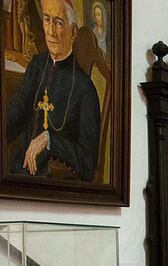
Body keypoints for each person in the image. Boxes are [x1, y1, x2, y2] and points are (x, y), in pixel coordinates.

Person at [6, 0, 100, 181]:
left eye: (58, 23)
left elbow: (87, 164)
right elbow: (18, 108)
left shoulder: (85, 89)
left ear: (73, 32)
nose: (50, 32)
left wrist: (50, 140)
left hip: (54, 180)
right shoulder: (36, 66)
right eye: (47, 20)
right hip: (18, 170)